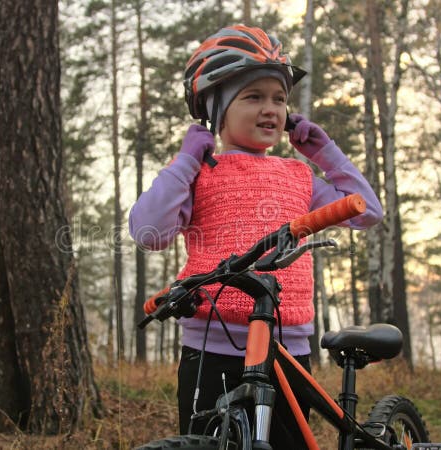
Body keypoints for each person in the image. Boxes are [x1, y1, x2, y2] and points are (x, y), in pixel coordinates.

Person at [129, 25, 383, 447]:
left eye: (279, 99)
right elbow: (147, 231)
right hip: (211, 346)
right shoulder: (200, 173)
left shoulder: (299, 176)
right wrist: (185, 160)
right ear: (217, 109)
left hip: (288, 348)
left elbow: (367, 211)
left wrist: (324, 151)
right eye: (253, 96)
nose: (271, 108)